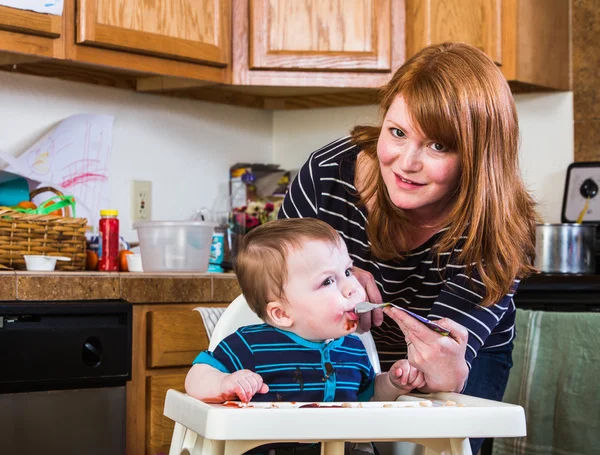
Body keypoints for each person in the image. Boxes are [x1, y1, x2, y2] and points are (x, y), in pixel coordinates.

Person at [278, 42, 538, 454]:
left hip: (468, 358)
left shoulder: (499, 228)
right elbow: (268, 278)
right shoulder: (326, 177)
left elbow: (440, 364)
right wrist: (322, 271)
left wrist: (447, 369)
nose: (406, 162)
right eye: (397, 133)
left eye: (438, 146)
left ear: (477, 156)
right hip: (335, 347)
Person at [185, 217, 426, 405]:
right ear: (281, 314)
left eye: (348, 272)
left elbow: (367, 399)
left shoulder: (353, 348)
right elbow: (195, 379)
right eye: (328, 282)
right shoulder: (250, 346)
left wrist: (393, 384)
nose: (352, 288)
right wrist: (224, 383)